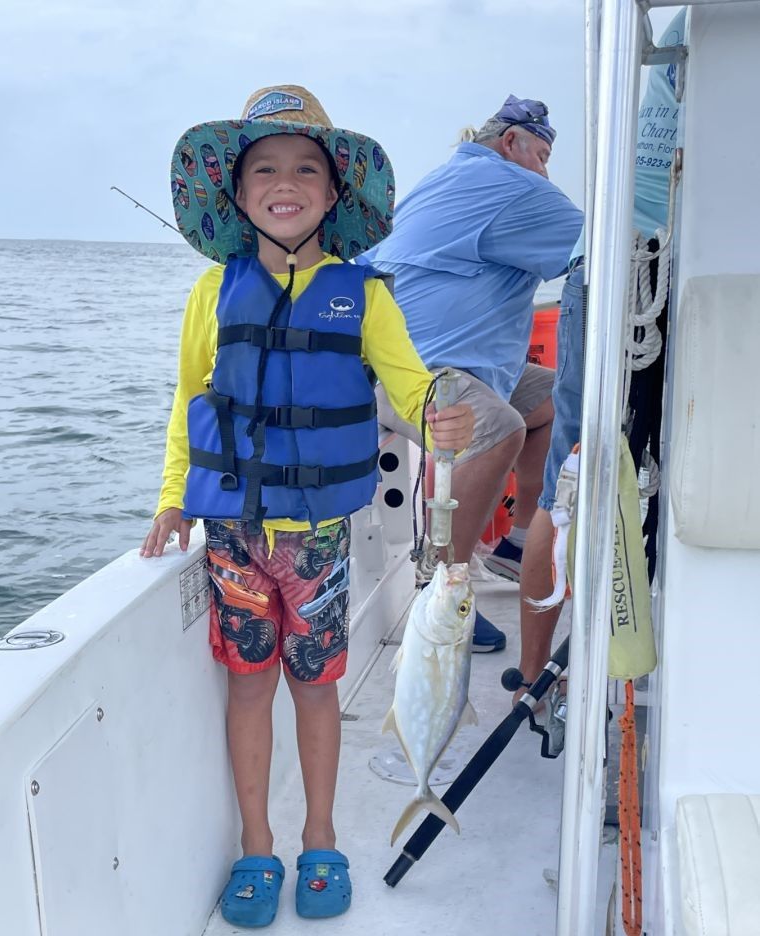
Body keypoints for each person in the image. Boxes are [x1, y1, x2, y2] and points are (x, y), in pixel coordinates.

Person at [139, 85, 475, 928]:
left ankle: (319, 838)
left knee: (314, 690)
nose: (283, 182)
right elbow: (190, 401)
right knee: (248, 688)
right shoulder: (211, 295)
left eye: (303, 168)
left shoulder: (365, 297)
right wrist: (172, 499)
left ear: (333, 193)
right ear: (239, 193)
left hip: (319, 537)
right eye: (263, 169)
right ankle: (259, 844)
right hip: (231, 536)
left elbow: (411, 386)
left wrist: (443, 411)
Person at [358, 95, 582, 652]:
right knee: (500, 426)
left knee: (552, 400)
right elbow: (606, 247)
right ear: (511, 143)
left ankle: (519, 540)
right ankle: (438, 588)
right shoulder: (513, 188)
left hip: (411, 368)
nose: (546, 172)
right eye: (543, 154)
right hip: (416, 381)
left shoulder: (441, 179)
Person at [517, 9, 687, 698]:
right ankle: (535, 680)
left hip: (652, 270)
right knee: (572, 482)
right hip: (628, 270)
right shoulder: (687, 33)